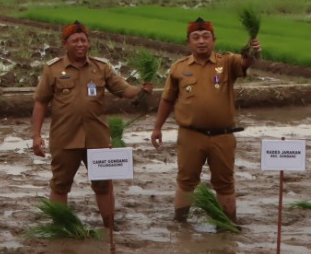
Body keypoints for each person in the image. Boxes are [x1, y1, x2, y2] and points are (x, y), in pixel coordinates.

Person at [30, 21, 151, 230]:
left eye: (84, 40)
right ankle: (59, 226)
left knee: (103, 184)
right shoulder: (53, 69)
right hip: (65, 137)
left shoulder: (101, 68)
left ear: (89, 44)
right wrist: (36, 135)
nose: (80, 44)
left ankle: (109, 224)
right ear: (65, 44)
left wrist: (141, 89)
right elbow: (40, 102)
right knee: (60, 184)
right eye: (75, 40)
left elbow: (124, 90)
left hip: (97, 138)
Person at [150, 17, 260, 224]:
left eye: (206, 36)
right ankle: (180, 222)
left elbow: (246, 61)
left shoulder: (226, 62)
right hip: (191, 136)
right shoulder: (179, 68)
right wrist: (157, 128)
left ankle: (228, 223)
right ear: (189, 42)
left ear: (214, 40)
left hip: (223, 136)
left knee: (225, 182)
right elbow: (167, 99)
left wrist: (253, 49)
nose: (201, 41)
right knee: (186, 181)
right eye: (196, 37)